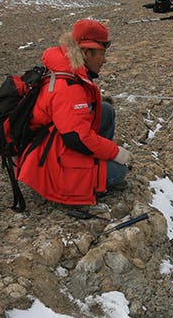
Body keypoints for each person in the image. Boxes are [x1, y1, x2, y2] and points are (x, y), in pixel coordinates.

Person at [17, 19, 131, 205]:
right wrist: (115, 152)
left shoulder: (65, 68)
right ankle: (73, 187)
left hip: (51, 144)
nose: (104, 60)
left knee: (105, 111)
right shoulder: (68, 87)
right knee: (119, 172)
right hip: (48, 165)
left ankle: (92, 163)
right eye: (102, 54)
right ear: (85, 52)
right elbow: (77, 137)